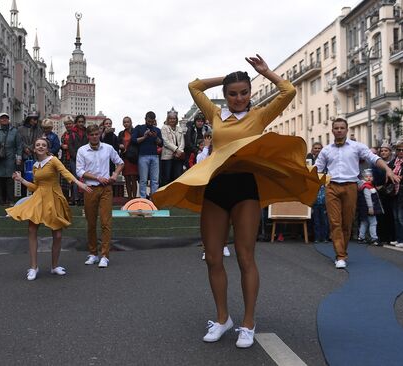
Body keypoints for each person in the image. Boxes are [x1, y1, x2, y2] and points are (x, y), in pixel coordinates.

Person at [153, 55, 324, 349]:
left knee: (246, 258)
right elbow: (194, 87)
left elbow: (288, 92)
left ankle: (248, 322)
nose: (239, 98)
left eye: (244, 92)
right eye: (233, 94)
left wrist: (264, 72)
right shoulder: (216, 116)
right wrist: (227, 77)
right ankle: (222, 319)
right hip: (216, 188)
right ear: (225, 96)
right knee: (213, 257)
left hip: (246, 189)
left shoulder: (260, 115)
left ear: (250, 93)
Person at [315, 118, 399, 268]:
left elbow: (374, 158)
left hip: (351, 187)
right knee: (335, 222)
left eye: (342, 128)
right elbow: (317, 170)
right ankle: (340, 256)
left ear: (347, 130)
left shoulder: (356, 147)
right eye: (336, 128)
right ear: (332, 130)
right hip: (331, 187)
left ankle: (342, 251)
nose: (339, 130)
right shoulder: (326, 150)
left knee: (347, 222)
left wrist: (387, 169)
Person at [7, 137, 91, 279]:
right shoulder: (35, 166)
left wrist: (78, 183)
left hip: (53, 199)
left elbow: (65, 172)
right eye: (38, 145)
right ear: (34, 148)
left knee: (57, 235)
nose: (40, 147)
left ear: (47, 148)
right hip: (39, 199)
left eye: (43, 145)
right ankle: (33, 267)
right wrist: (21, 180)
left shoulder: (53, 160)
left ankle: (54, 266)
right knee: (32, 230)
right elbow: (36, 187)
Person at [77, 124, 124, 268]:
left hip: (106, 189)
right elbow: (79, 171)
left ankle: (104, 255)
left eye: (97, 134)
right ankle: (93, 253)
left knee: (105, 222)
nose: (95, 136)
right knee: (91, 223)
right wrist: (98, 178)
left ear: (100, 134)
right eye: (92, 135)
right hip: (90, 188)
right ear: (88, 136)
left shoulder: (108, 148)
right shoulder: (82, 150)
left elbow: (120, 163)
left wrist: (115, 174)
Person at [0, 112, 22, 206]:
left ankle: (10, 200)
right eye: (2, 118)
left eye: (6, 118)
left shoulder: (14, 131)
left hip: (10, 158)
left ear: (8, 119)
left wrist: (19, 157)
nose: (4, 119)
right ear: (0, 120)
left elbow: (19, 145)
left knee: (10, 179)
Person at [131, 111, 163, 198]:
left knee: (155, 180)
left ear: (154, 121)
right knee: (143, 180)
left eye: (152, 122)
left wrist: (155, 137)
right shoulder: (139, 128)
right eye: (149, 121)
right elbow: (133, 140)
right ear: (145, 119)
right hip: (142, 156)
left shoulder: (157, 130)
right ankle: (142, 199)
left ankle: (154, 199)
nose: (150, 123)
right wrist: (144, 136)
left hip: (155, 156)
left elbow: (161, 144)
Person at [357, 170, 383, 245]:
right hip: (369, 208)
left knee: (364, 222)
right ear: (363, 178)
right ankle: (374, 238)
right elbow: (368, 198)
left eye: (370, 176)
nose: (369, 178)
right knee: (373, 223)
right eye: (366, 177)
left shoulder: (365, 186)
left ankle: (361, 237)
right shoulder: (367, 187)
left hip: (364, 208)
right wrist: (370, 208)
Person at [161, 110, 185, 186]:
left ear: (176, 119)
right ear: (168, 119)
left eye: (174, 118)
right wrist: (176, 149)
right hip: (167, 156)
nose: (172, 120)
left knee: (177, 177)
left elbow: (182, 141)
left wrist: (180, 151)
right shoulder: (164, 128)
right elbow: (166, 142)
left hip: (178, 156)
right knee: (167, 178)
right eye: (170, 118)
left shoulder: (179, 128)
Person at [68, 115, 88, 205]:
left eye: (82, 122)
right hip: (74, 159)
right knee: (76, 179)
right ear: (76, 122)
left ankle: (84, 198)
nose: (81, 123)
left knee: (85, 178)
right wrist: (77, 157)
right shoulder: (72, 132)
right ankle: (76, 198)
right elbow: (70, 146)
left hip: (86, 159)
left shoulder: (87, 132)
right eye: (79, 122)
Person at [118, 116, 139, 200]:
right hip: (125, 157)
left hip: (133, 158)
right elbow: (118, 143)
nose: (126, 124)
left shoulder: (135, 132)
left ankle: (134, 197)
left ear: (131, 122)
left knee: (133, 178)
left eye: (128, 122)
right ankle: (129, 198)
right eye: (124, 122)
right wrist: (120, 146)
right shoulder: (121, 133)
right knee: (127, 178)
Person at [389, 140, 403, 247]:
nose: (401, 152)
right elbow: (388, 172)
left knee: (400, 216)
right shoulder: (393, 162)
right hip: (394, 191)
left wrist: (399, 177)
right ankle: (398, 239)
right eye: (399, 150)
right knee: (395, 217)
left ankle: (402, 240)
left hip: (401, 190)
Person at [60, 115, 74, 200]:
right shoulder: (64, 134)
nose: (68, 125)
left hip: (73, 158)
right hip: (65, 158)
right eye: (66, 124)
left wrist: (68, 146)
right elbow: (61, 145)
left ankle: (73, 198)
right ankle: (65, 199)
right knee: (64, 178)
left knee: (73, 178)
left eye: (69, 124)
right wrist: (62, 146)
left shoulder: (75, 134)